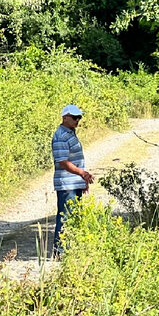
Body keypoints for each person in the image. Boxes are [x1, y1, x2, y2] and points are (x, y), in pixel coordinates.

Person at [52, 103, 94, 255]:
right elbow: (63, 162)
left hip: (74, 182)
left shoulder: (70, 133)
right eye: (74, 117)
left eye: (79, 117)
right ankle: (60, 251)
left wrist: (81, 181)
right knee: (65, 217)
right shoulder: (60, 136)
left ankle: (69, 249)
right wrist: (82, 174)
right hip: (66, 184)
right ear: (65, 118)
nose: (77, 120)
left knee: (73, 216)